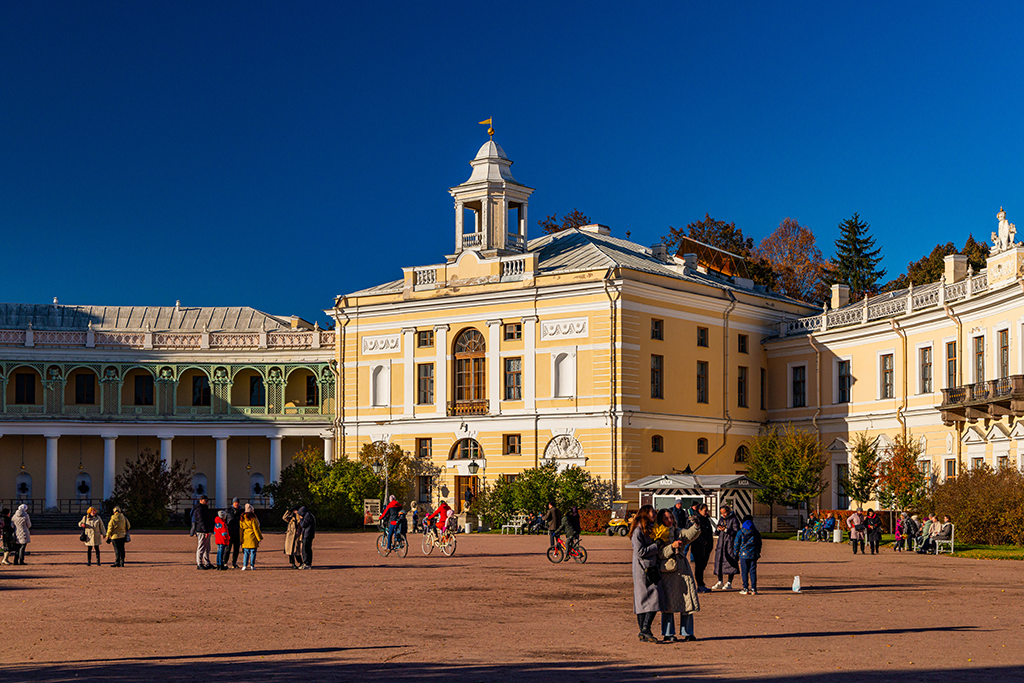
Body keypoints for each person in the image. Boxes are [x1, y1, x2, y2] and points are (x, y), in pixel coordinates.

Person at [655, 509, 701, 643]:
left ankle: (688, 632)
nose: (669, 520)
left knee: (687, 601)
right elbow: (659, 554)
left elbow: (688, 535)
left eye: (671, 517)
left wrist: (696, 525)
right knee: (668, 604)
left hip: (682, 570)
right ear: (660, 520)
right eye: (666, 518)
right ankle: (668, 633)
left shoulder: (677, 531)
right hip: (668, 573)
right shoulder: (657, 534)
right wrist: (671, 547)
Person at [629, 505, 660, 642]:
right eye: (652, 511)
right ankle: (645, 629)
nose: (654, 513)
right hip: (642, 569)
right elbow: (640, 552)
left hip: (651, 567)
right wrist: (656, 546)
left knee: (649, 598)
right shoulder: (638, 531)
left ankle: (644, 632)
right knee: (649, 598)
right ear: (645, 514)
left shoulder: (650, 528)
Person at [711, 505, 739, 590]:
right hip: (721, 544)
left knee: (731, 562)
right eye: (722, 513)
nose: (723, 515)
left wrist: (726, 530)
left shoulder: (734, 519)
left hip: (730, 544)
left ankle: (729, 582)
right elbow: (716, 532)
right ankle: (720, 581)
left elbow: (736, 532)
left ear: (728, 511)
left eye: (725, 513)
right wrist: (718, 529)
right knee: (719, 562)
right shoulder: (721, 519)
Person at [733, 515, 763, 596]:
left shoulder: (741, 532)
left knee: (744, 572)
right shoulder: (755, 532)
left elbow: (736, 543)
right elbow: (759, 543)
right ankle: (754, 588)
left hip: (743, 554)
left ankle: (745, 588)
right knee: (753, 571)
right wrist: (758, 552)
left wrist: (735, 554)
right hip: (753, 554)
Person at [690, 504, 714, 593]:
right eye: (705, 510)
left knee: (703, 566)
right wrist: (703, 541)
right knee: (699, 567)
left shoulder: (706, 519)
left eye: (707, 510)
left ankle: (701, 584)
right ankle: (700, 585)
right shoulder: (696, 520)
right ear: (699, 511)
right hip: (698, 547)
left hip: (707, 548)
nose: (707, 512)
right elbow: (693, 533)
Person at [191, 494, 215, 570]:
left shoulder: (203, 508)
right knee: (201, 547)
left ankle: (207, 562)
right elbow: (200, 521)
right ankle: (199, 563)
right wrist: (205, 531)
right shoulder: (199, 509)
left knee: (207, 548)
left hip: (206, 530)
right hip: (202, 531)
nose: (207, 502)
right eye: (205, 500)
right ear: (201, 500)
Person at [240, 504, 263, 570]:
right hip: (252, 537)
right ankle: (252, 565)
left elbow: (241, 529)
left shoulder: (242, 518)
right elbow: (256, 529)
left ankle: (244, 565)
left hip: (245, 537)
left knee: (246, 552)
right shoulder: (253, 519)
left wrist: (241, 539)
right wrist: (259, 538)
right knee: (253, 552)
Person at [224, 498, 243, 569]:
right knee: (227, 548)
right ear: (233, 503)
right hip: (229, 532)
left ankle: (234, 563)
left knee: (236, 549)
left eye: (237, 502)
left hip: (237, 532)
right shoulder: (228, 510)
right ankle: (225, 562)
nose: (236, 504)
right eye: (235, 502)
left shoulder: (241, 511)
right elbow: (224, 520)